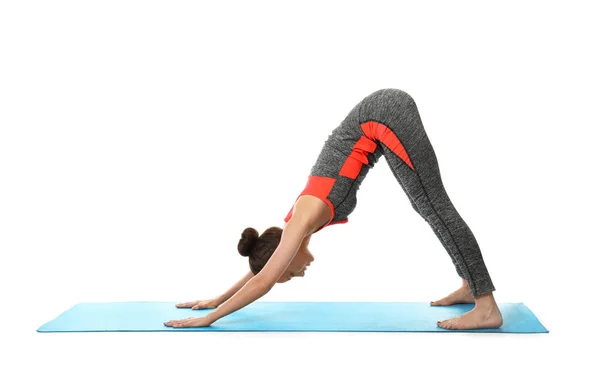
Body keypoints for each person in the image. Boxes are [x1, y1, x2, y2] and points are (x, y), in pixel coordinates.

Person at [164, 88, 503, 330]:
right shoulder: (296, 226)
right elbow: (263, 270)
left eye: (289, 274)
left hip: (383, 115)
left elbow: (265, 279)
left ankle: (486, 306)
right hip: (379, 124)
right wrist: (215, 298)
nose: (297, 275)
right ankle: (470, 285)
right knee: (426, 205)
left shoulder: (301, 222)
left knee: (434, 205)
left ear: (285, 252)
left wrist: (210, 318)